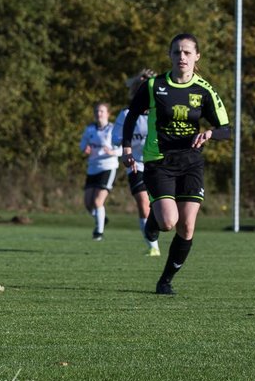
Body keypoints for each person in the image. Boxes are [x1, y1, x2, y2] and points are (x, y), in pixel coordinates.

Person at [120, 34, 230, 295]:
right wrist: (126, 148)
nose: (182, 57)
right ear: (170, 56)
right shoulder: (154, 86)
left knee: (187, 226)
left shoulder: (204, 90)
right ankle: (154, 222)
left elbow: (226, 128)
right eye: (177, 52)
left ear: (196, 57)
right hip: (159, 161)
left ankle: (165, 281)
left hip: (191, 163)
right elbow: (132, 114)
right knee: (169, 222)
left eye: (187, 53)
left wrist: (211, 133)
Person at [112, 70, 161, 256]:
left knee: (162, 205)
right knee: (143, 201)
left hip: (158, 163)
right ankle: (153, 246)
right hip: (136, 163)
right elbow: (116, 138)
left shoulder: (160, 112)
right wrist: (128, 144)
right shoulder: (126, 114)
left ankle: (157, 225)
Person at [79, 102, 120, 241]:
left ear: (108, 113)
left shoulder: (113, 129)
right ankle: (102, 218)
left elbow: (123, 149)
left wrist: (113, 151)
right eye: (97, 111)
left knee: (97, 201)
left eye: (102, 111)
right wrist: (85, 148)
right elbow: (83, 144)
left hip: (108, 167)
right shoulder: (90, 129)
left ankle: (99, 232)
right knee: (88, 203)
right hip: (93, 168)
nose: (99, 114)